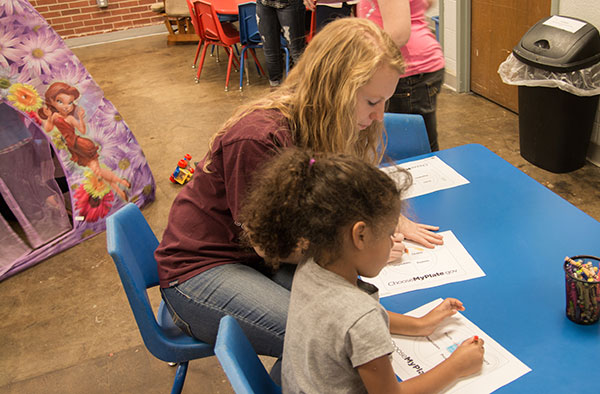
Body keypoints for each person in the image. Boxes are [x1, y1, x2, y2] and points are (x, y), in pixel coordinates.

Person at [154, 17, 443, 381]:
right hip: (202, 270)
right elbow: (268, 244)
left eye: (385, 101)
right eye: (372, 101)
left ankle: (408, 326)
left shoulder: (331, 123)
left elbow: (338, 196)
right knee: (330, 337)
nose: (378, 115)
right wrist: (356, 244)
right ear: (336, 89)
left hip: (262, 262)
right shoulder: (259, 139)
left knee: (347, 309)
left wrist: (385, 220)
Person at [239, 148, 485, 393]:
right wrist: (456, 366)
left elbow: (346, 324)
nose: (393, 243)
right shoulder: (362, 317)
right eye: (390, 234)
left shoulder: (310, 265)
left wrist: (418, 324)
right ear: (360, 235)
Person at [358, 0, 445, 152]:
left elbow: (397, 35)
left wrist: (362, 63)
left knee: (412, 150)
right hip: (411, 66)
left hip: (409, 70)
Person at [39, 82, 130, 201]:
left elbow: (82, 130)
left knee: (96, 171)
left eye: (70, 103)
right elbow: (48, 129)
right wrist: (48, 116)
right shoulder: (55, 116)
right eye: (60, 102)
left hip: (81, 145)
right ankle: (121, 190)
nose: (66, 106)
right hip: (73, 147)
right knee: (96, 171)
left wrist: (80, 118)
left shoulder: (69, 118)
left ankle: (121, 183)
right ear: (52, 102)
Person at [256, 0, 307, 86]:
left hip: (290, 4)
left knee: (297, 53)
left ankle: (306, 91)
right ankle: (275, 92)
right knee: (270, 52)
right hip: (264, 4)